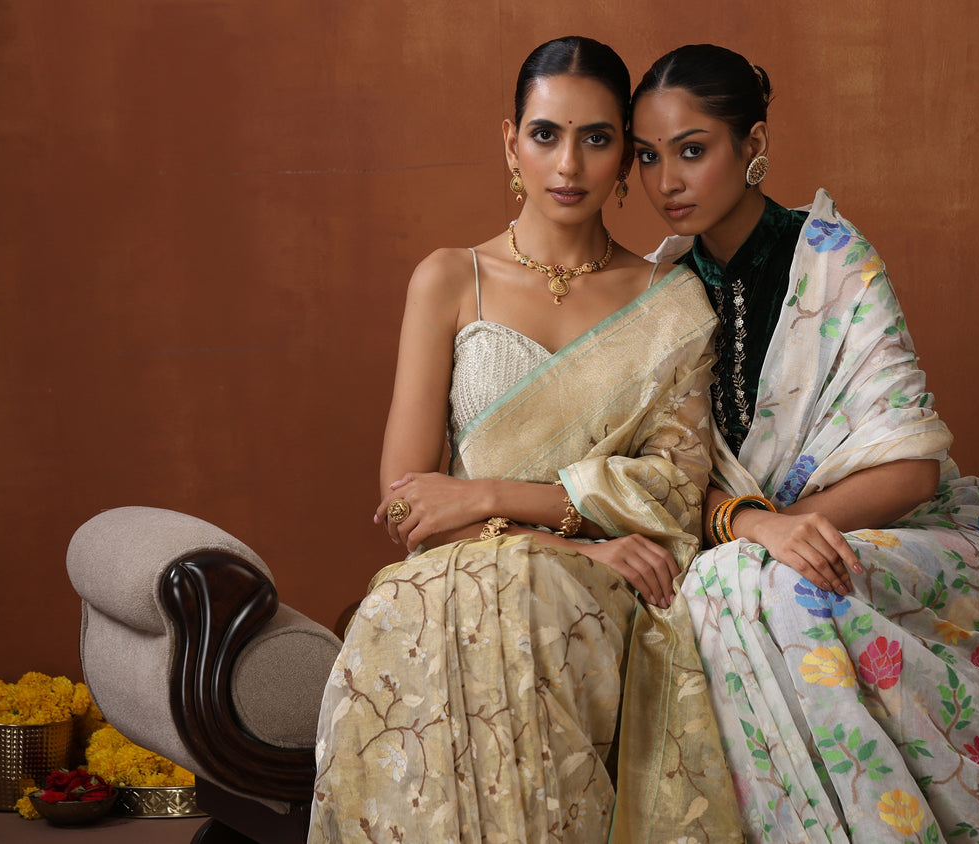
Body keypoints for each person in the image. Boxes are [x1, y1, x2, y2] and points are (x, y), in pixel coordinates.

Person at [309, 37, 742, 843]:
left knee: (525, 598)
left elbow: (675, 491)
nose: (568, 165)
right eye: (546, 135)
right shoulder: (450, 279)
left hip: (604, 588)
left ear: (626, 155)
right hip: (467, 572)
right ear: (511, 143)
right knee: (456, 595)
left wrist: (486, 496)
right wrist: (560, 541)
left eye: (596, 138)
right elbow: (407, 507)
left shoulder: (672, 302)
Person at [631, 44, 979, 843]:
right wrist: (758, 528)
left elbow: (910, 470)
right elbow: (658, 478)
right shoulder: (655, 295)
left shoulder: (833, 261)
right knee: (739, 583)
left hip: (905, 537)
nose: (665, 181)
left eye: (691, 151)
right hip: (744, 546)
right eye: (647, 156)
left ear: (754, 143)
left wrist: (783, 534)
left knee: (777, 586)